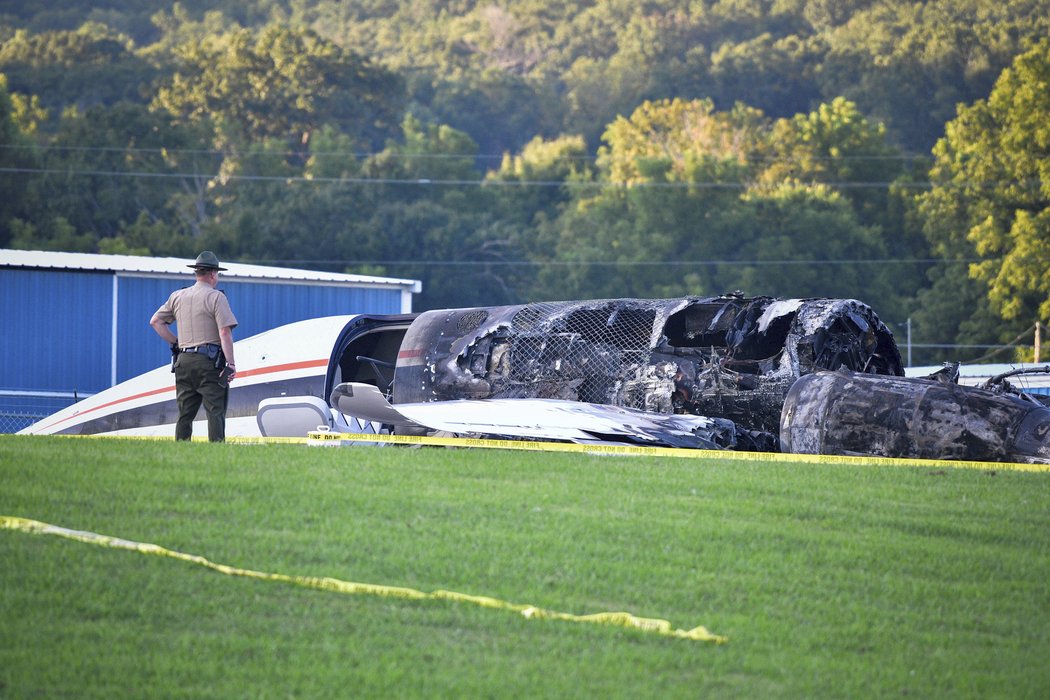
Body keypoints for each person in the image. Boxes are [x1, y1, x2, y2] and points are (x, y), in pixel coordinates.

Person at [150, 251, 239, 442]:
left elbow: (156, 322)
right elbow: (224, 333)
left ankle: (181, 448)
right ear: (213, 274)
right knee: (215, 410)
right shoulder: (216, 298)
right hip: (209, 363)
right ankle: (216, 450)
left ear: (197, 273)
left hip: (183, 361)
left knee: (185, 413)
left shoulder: (178, 296)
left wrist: (176, 342)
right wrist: (230, 364)